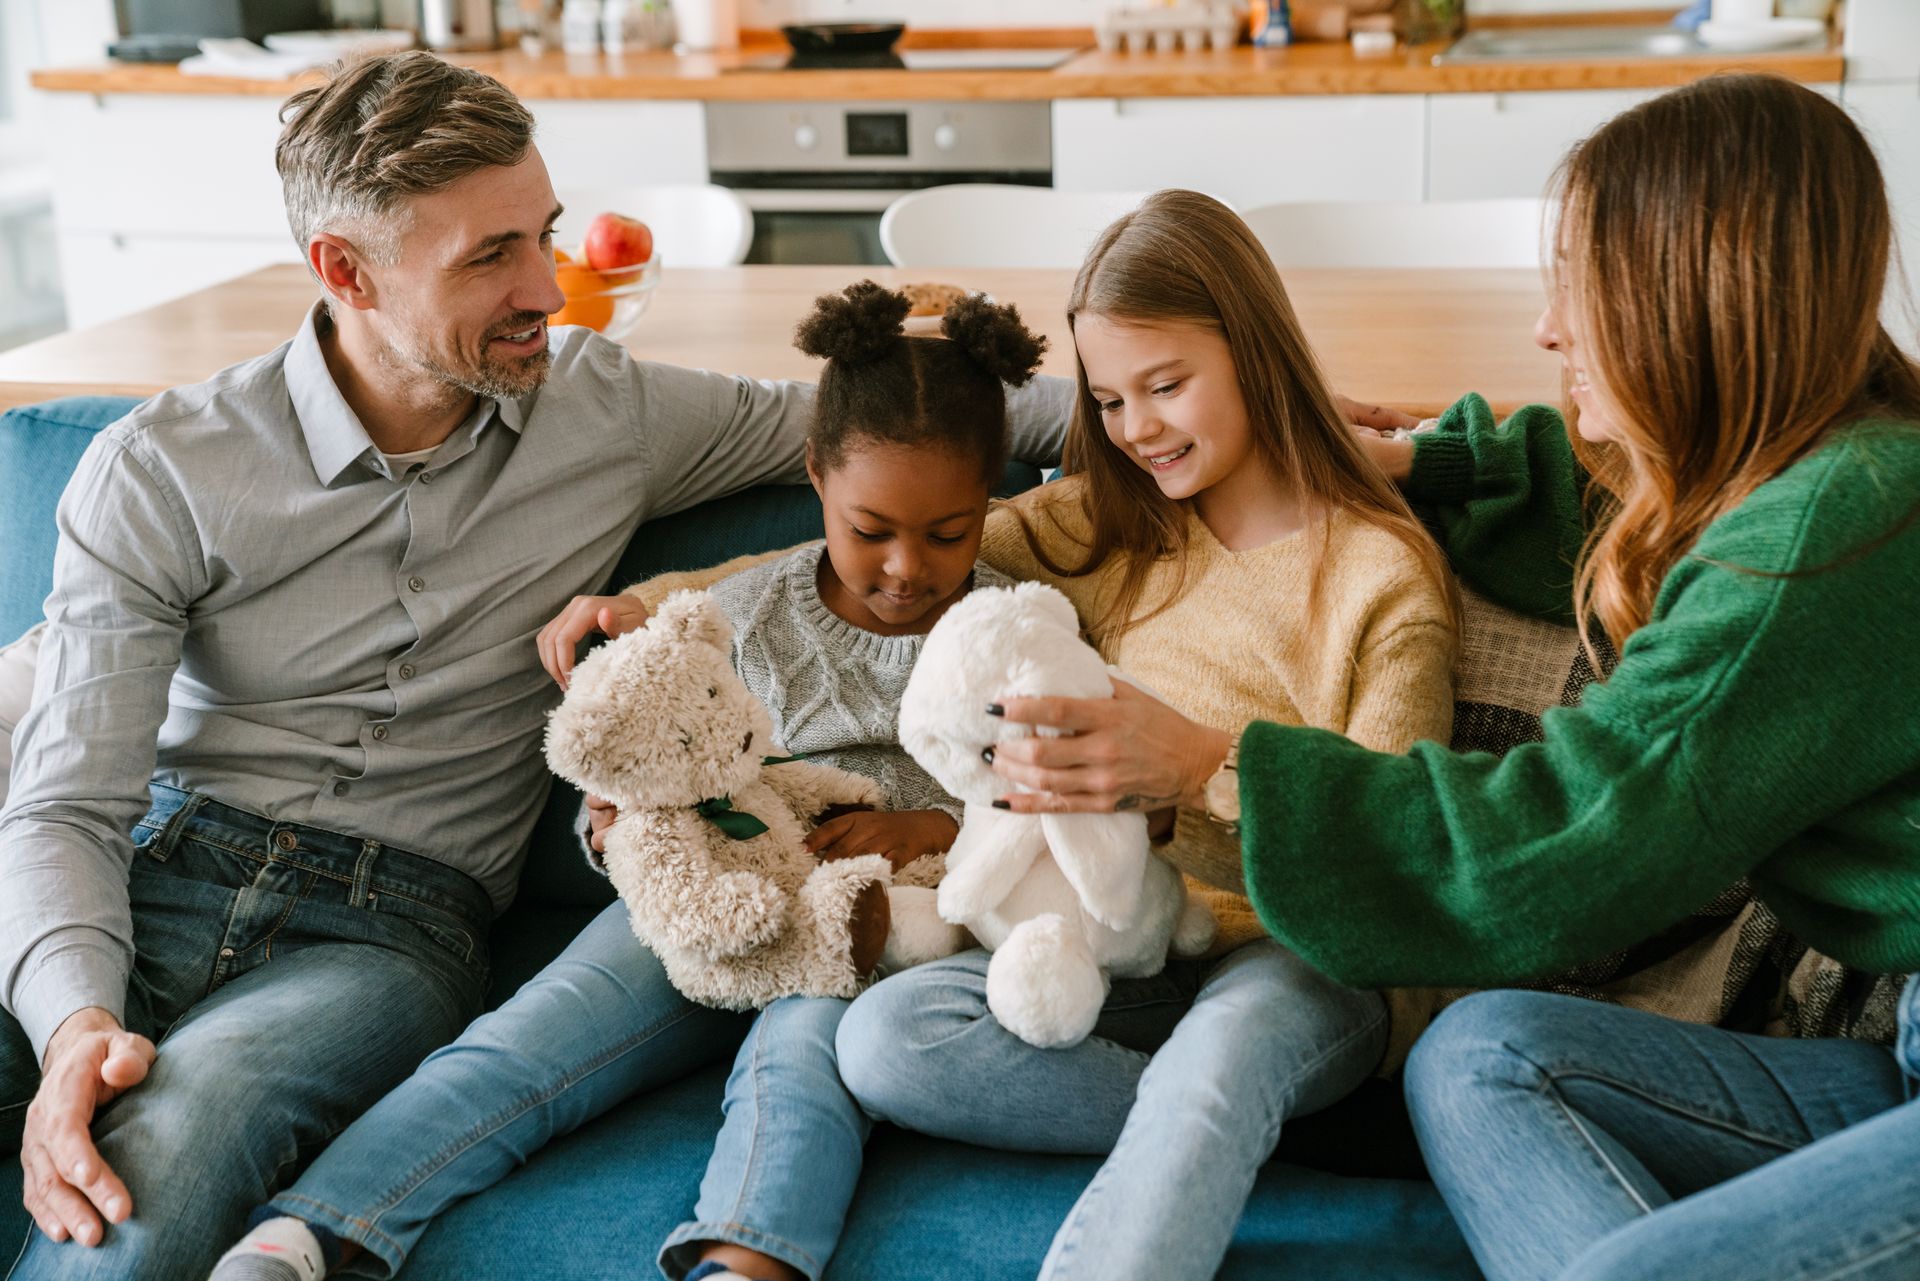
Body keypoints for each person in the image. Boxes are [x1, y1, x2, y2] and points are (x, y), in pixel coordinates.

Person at [0, 53, 1070, 1280]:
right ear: (346, 270)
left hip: (386, 934)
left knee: (145, 1177)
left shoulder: (602, 410)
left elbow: (885, 424)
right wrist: (75, 1021)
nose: (550, 290)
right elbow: (68, 800)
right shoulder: (164, 468)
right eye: (490, 257)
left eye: (545, 236)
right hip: (158, 865)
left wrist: (1229, 412)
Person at [973, 75, 1920, 1281]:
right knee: (1478, 1056)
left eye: (1578, 287)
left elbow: (1569, 837)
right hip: (1895, 1062)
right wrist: (1412, 457)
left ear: (1694, 302)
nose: (1546, 331)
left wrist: (1217, 769)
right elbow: (1605, 492)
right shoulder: (1840, 453)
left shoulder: (1822, 536)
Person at [208, 282, 1051, 1281]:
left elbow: (1050, 809)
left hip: (856, 925)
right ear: (815, 475)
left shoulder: (1016, 631)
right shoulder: (733, 612)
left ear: (993, 496)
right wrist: (611, 830)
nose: (907, 567)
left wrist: (931, 827)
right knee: (527, 1042)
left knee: (798, 1062)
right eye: (870, 530)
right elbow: (636, 756)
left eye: (949, 534)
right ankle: (310, 1230)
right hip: (696, 893)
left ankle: (745, 1262)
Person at [830, 189, 1461, 1281]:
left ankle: (1219, 1116)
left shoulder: (1376, 574)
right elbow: (892, 546)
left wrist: (1200, 780)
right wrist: (658, 608)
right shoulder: (1112, 522)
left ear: (1258, 354)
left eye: (1167, 386)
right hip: (1125, 946)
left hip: (1298, 962)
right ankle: (1237, 1132)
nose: (1139, 430)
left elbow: (1398, 856)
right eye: (1112, 399)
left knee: (1229, 1048)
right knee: (887, 1038)